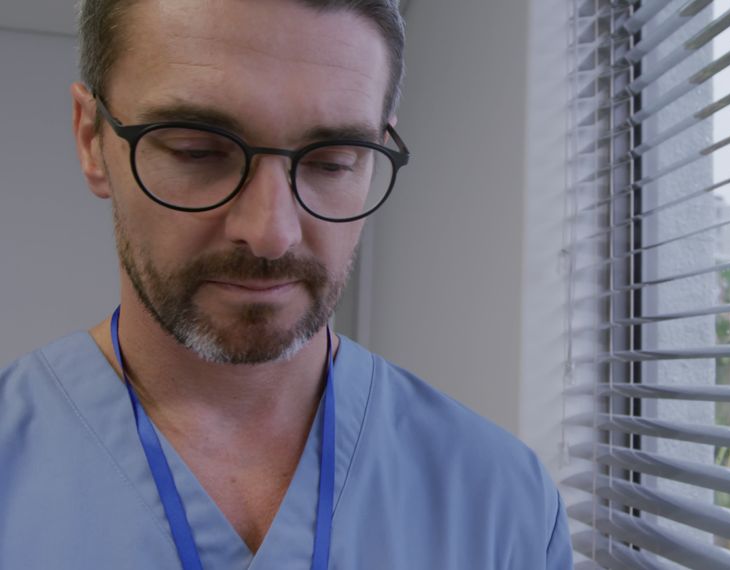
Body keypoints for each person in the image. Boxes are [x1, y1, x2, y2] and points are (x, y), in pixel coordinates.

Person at [0, 0, 572, 568]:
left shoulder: (501, 503)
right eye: (198, 151)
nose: (271, 233)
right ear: (91, 139)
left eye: (332, 161)